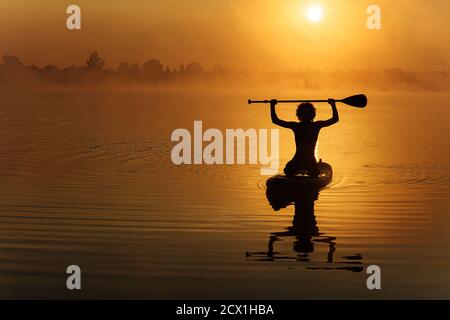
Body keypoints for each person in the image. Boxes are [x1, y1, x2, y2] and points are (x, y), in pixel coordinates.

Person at [270, 98, 339, 177]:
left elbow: (275, 120)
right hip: (310, 161)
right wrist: (333, 104)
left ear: (299, 115)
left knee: (287, 170)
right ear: (313, 115)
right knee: (314, 173)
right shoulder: (316, 125)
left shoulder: (295, 126)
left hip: (298, 160)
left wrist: (272, 106)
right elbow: (335, 119)